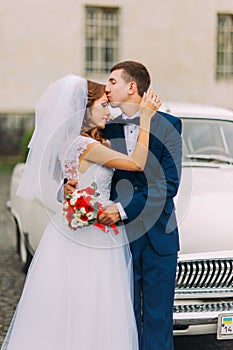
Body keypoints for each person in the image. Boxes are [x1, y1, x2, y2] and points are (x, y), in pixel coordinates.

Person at [1, 74, 161, 350]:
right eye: (102, 105)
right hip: (92, 236)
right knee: (94, 303)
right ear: (84, 111)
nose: (108, 111)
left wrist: (68, 192)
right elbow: (135, 164)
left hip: (75, 230)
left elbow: (69, 187)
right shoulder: (86, 145)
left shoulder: (77, 143)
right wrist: (146, 118)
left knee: (74, 304)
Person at [65, 61, 182, 350]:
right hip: (117, 240)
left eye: (113, 81)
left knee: (157, 319)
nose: (107, 87)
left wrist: (122, 208)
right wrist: (66, 188)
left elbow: (168, 185)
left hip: (158, 235)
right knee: (120, 317)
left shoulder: (170, 125)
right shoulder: (106, 128)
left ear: (132, 87)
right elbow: (85, 169)